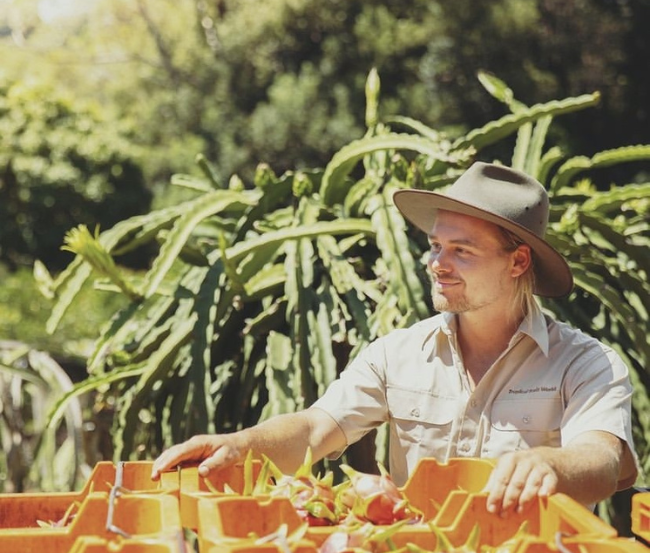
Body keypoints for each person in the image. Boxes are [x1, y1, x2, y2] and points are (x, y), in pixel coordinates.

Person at [151, 162, 639, 515]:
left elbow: (601, 459)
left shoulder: (586, 364)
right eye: (435, 246)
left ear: (517, 262)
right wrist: (242, 445)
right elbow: (316, 428)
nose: (436, 264)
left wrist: (552, 464)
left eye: (462, 251)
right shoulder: (398, 353)